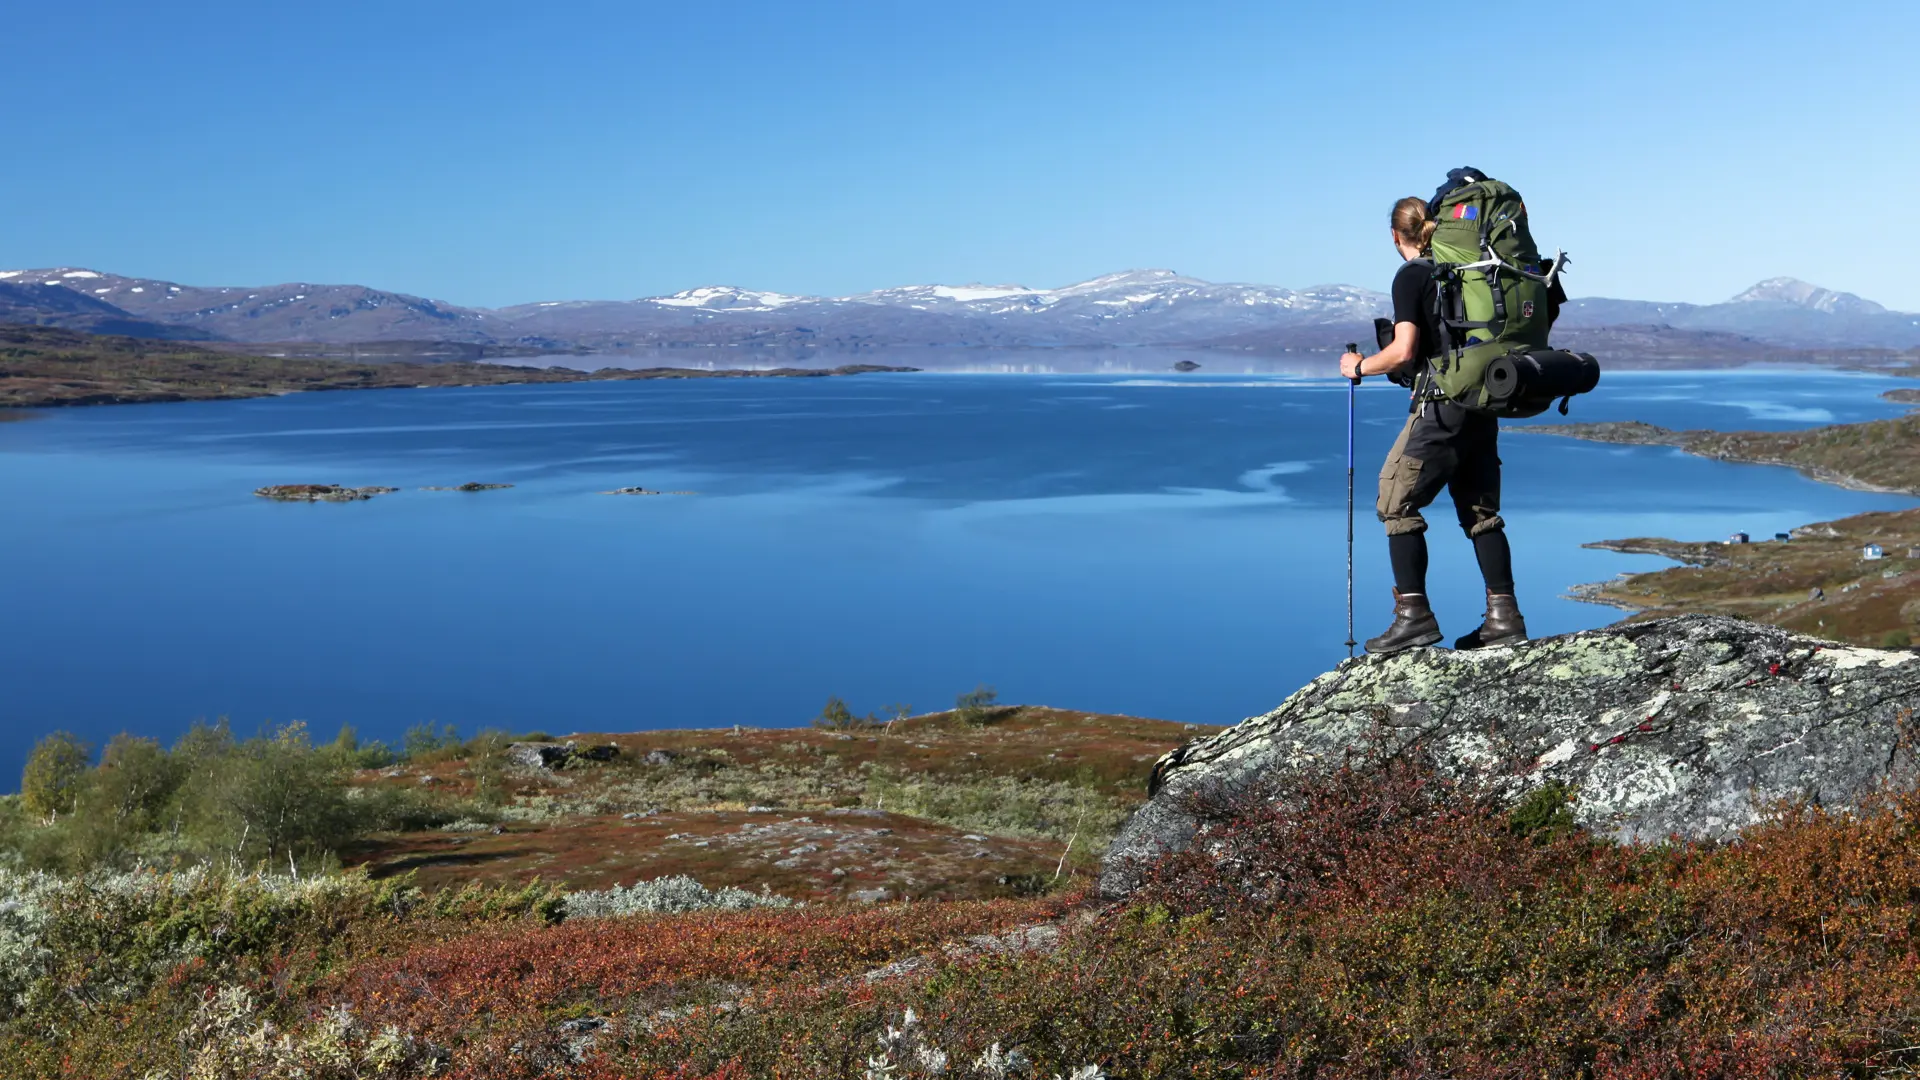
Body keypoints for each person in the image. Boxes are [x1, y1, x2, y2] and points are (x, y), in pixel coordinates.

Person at [1337, 195, 1545, 654]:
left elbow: (1405, 351)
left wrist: (1358, 366)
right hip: (1481, 400)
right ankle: (1504, 618)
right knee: (1481, 513)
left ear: (1396, 236)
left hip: (1441, 405)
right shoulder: (1467, 272)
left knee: (1395, 502)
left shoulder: (1413, 275)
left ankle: (1413, 616)